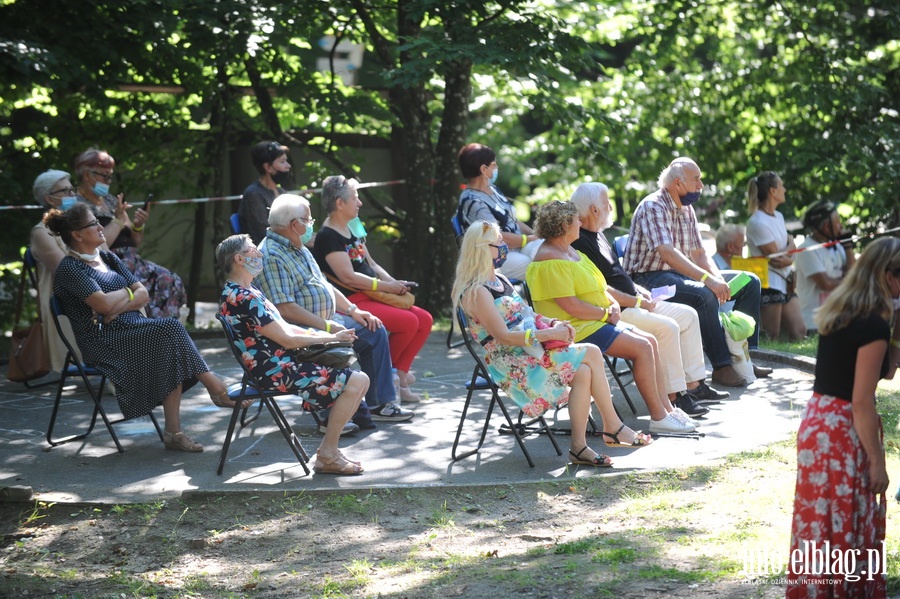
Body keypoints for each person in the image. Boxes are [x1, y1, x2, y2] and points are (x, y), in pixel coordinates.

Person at [453, 221, 653, 467]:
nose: (505, 247)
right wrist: (547, 335)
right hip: (512, 363)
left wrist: (552, 322)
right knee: (590, 351)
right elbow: (503, 336)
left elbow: (526, 314)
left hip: (531, 351)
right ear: (484, 249)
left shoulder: (500, 280)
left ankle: (579, 448)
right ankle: (613, 426)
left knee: (584, 371)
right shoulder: (476, 292)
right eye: (500, 243)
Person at [46, 203, 238, 453]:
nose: (101, 227)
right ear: (77, 235)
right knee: (169, 329)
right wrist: (122, 298)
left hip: (134, 328)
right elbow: (104, 304)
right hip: (103, 341)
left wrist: (115, 304)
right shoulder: (70, 269)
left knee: (168, 338)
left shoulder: (107, 257)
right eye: (94, 224)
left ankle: (175, 432)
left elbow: (142, 294)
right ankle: (215, 389)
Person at [786, 237, 900, 597]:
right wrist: (878, 462)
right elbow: (862, 401)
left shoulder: (843, 308)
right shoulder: (872, 325)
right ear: (886, 275)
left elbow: (886, 371)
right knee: (845, 516)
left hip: (818, 419)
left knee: (820, 518)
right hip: (843, 427)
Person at [527, 201, 698, 433]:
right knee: (642, 347)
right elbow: (571, 305)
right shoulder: (549, 258)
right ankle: (658, 416)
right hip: (576, 329)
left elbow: (600, 285)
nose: (580, 223)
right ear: (563, 225)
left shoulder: (570, 250)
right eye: (575, 220)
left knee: (650, 341)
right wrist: (606, 313)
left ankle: (667, 409)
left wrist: (613, 303)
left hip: (594, 321)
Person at [217, 233, 370, 475]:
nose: (259, 254)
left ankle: (330, 452)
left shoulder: (244, 291)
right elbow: (287, 339)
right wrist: (332, 337)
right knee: (357, 380)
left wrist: (327, 330)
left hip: (279, 364)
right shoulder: (244, 297)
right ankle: (328, 454)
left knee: (359, 380)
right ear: (239, 259)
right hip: (274, 371)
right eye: (253, 250)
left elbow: (284, 328)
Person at [569, 183, 729, 409]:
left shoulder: (598, 235)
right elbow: (600, 290)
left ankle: (695, 385)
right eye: (607, 204)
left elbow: (618, 276)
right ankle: (675, 396)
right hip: (616, 310)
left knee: (689, 315)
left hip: (634, 301)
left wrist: (638, 291)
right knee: (668, 327)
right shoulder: (579, 242)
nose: (611, 208)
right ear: (594, 210)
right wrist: (635, 300)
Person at [256, 194, 413, 426]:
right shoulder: (271, 254)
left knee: (373, 328)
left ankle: (379, 403)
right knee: (334, 341)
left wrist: (353, 310)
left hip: (327, 320)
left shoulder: (298, 246)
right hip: (302, 330)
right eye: (308, 220)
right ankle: (328, 411)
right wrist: (328, 327)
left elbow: (324, 286)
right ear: (294, 225)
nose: (311, 225)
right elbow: (285, 309)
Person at [622, 157, 769, 388]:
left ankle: (746, 359)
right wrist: (708, 280)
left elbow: (699, 253)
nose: (701, 186)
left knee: (750, 282)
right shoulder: (653, 206)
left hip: (676, 275)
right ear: (678, 184)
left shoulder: (686, 208)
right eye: (697, 180)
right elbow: (667, 253)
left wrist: (718, 279)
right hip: (647, 280)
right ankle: (722, 367)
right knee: (704, 293)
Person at [313, 175, 432, 402]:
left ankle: (399, 375)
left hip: (372, 295)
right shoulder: (328, 236)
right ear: (340, 203)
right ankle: (391, 379)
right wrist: (387, 286)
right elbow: (348, 277)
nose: (359, 203)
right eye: (355, 198)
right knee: (409, 322)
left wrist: (395, 285)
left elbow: (372, 265)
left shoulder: (352, 228)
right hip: (353, 301)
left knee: (424, 319)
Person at [73, 148, 186, 319]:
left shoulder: (110, 200)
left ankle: (163, 331)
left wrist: (138, 226)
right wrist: (117, 221)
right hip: (111, 262)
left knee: (169, 279)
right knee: (145, 286)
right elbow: (96, 244)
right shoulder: (78, 205)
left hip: (133, 258)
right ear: (87, 175)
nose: (108, 181)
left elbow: (135, 240)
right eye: (104, 175)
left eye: (110, 175)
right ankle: (147, 329)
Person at [30, 170, 91, 372]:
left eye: (72, 189)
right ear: (49, 198)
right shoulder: (42, 232)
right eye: (65, 190)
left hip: (91, 287)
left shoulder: (81, 225)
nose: (72, 194)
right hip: (67, 296)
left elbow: (105, 256)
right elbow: (67, 271)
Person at [456, 143, 540, 280]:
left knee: (550, 250)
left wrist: (537, 235)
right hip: (495, 257)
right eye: (494, 165)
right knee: (538, 266)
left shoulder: (493, 189)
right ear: (484, 169)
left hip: (518, 248)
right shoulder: (472, 201)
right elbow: (496, 236)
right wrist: (529, 239)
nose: (497, 168)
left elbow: (513, 220)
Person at [745, 172, 805, 341]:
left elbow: (785, 254)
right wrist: (791, 250)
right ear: (772, 191)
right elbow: (777, 258)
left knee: (799, 331)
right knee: (772, 334)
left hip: (785, 281)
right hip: (768, 283)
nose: (785, 189)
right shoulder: (757, 222)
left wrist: (789, 256)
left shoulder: (779, 216)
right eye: (782, 185)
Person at [794, 200, 857, 334]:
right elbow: (826, 284)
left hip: (839, 318)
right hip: (816, 323)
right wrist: (851, 282)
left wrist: (847, 246)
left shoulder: (839, 247)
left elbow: (854, 273)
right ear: (827, 226)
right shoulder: (807, 249)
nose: (841, 226)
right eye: (838, 222)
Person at [238, 141, 291, 245]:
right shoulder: (253, 194)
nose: (288, 166)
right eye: (282, 161)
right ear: (268, 167)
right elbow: (264, 233)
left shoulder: (282, 192)